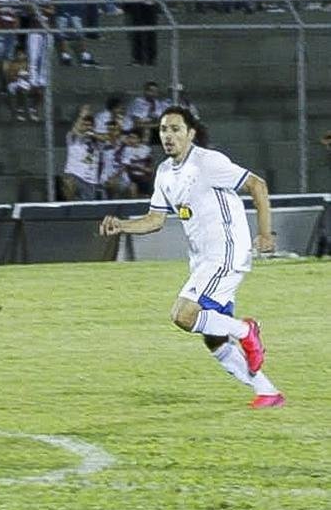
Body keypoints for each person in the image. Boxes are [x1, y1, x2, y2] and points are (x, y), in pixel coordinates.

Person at [99, 106, 283, 408]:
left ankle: (246, 330)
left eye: (175, 129)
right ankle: (267, 391)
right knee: (212, 336)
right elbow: (155, 220)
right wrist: (122, 225)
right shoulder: (164, 173)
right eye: (163, 130)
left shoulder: (207, 163)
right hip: (203, 260)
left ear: (190, 133)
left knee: (183, 315)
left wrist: (265, 234)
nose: (168, 136)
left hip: (225, 254)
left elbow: (257, 185)